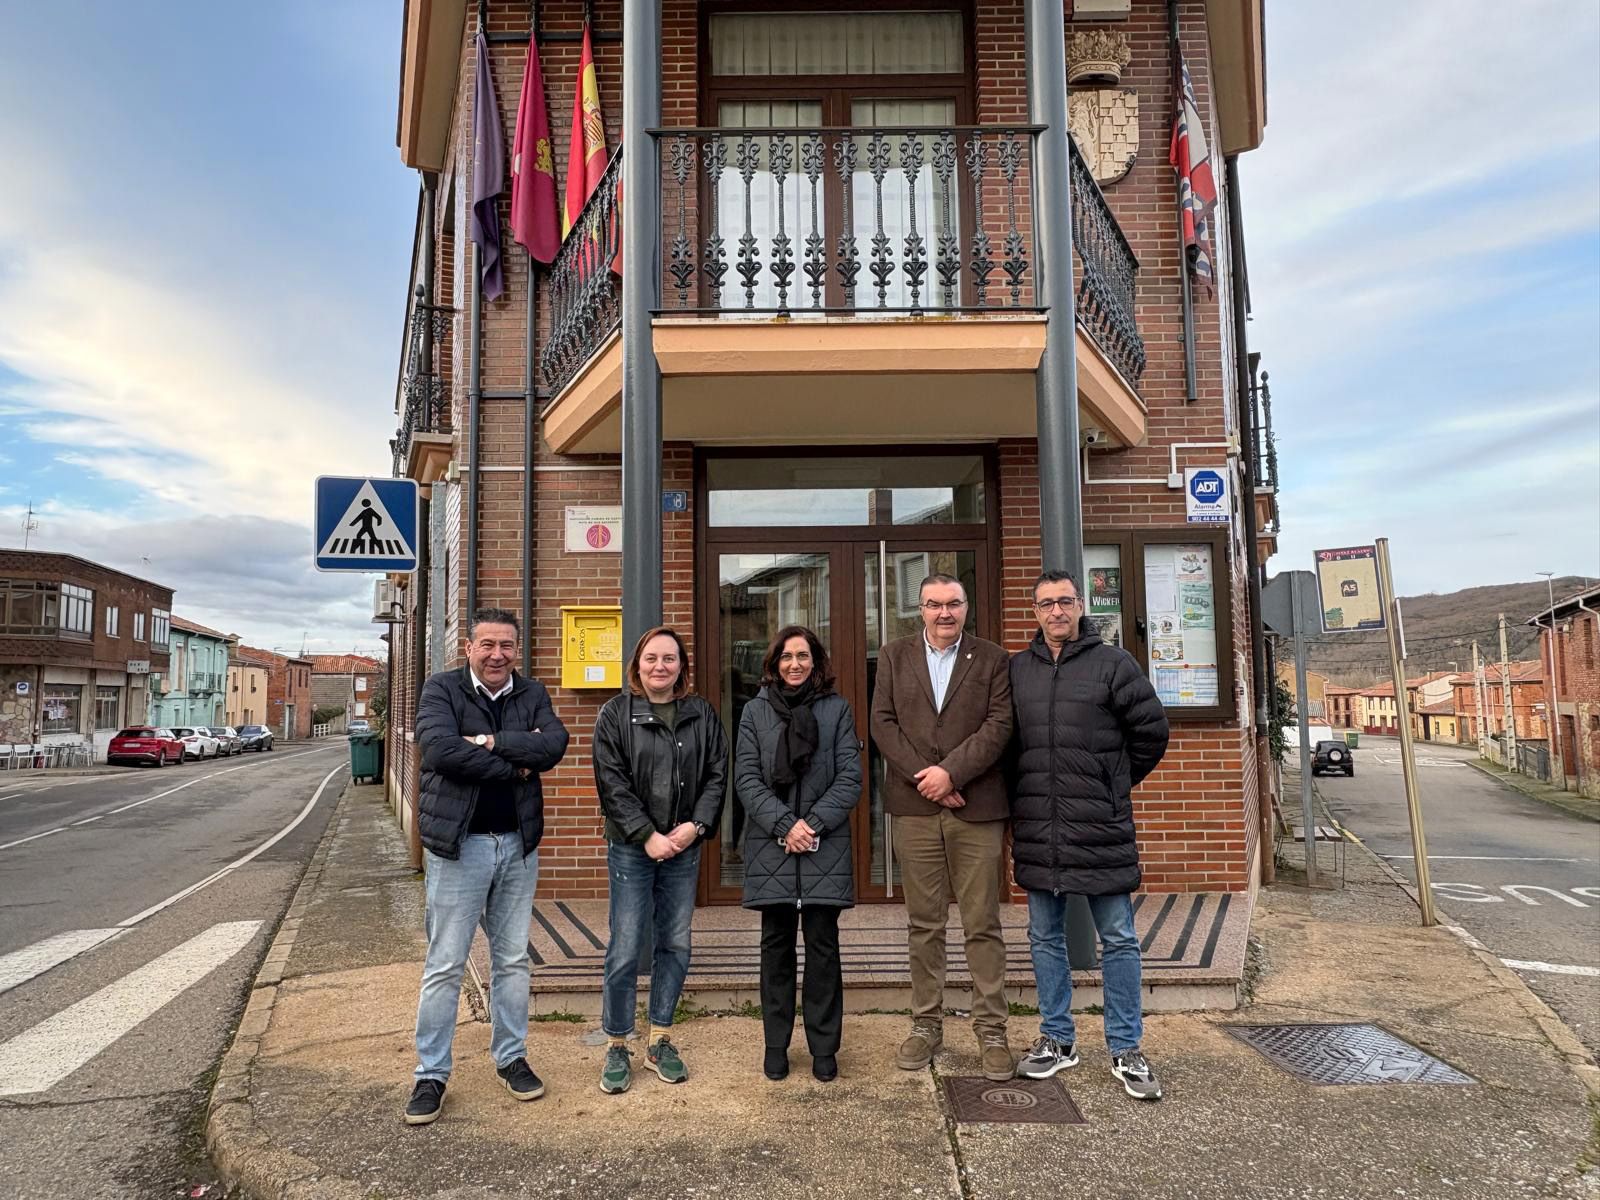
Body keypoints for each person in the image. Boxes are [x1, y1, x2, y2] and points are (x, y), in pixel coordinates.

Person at [1010, 570, 1170, 1100]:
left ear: (1080, 605)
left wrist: (1111, 785)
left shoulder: (1113, 664)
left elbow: (1151, 732)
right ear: (1034, 612)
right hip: (1040, 827)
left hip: (1101, 827)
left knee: (1119, 938)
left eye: (1064, 601)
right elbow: (1007, 746)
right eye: (1045, 604)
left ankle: (1126, 1047)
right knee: (1043, 937)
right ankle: (1058, 1039)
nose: (1056, 612)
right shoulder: (1018, 671)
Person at [406, 607, 570, 1125]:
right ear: (469, 648)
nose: (497, 655)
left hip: (517, 846)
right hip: (460, 848)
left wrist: (492, 742)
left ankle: (512, 1058)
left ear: (517, 649)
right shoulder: (442, 689)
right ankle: (430, 1074)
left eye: (507, 646)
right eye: (487, 645)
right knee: (446, 963)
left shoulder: (533, 694)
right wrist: (515, 766)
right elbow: (439, 752)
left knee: (513, 961)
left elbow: (554, 746)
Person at [869, 573, 1016, 1082]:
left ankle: (992, 1031)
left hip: (976, 805)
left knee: (982, 923)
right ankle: (926, 1024)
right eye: (934, 604)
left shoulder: (994, 659)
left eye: (953, 603)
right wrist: (926, 779)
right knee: (923, 924)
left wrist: (952, 773)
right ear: (920, 610)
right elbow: (882, 723)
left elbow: (999, 726)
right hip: (915, 808)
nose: (944, 613)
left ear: (966, 606)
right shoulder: (892, 656)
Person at [591, 627, 728, 1094]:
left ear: (682, 667)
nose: (660, 667)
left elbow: (717, 774)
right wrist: (646, 834)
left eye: (669, 659)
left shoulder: (701, 714)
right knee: (627, 946)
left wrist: (696, 826)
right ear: (637, 664)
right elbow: (612, 784)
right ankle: (616, 1043)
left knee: (675, 943)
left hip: (684, 846)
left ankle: (661, 1039)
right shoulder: (615, 714)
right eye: (652, 658)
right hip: (633, 846)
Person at [736, 625, 862, 1083]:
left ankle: (824, 1048)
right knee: (776, 951)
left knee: (824, 950)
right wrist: (786, 826)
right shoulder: (754, 712)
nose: (795, 664)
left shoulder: (837, 710)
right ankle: (776, 1045)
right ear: (773, 663)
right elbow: (746, 778)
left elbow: (850, 776)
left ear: (816, 662)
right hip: (773, 847)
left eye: (803, 656)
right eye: (787, 657)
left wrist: (812, 825)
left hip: (823, 845)